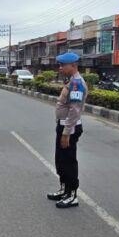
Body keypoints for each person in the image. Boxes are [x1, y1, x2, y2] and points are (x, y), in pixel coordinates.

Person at [47, 52, 87, 208]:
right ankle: (64, 189)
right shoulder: (71, 81)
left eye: (63, 65)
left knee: (69, 161)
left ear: (74, 65)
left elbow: (75, 110)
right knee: (61, 160)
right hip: (63, 126)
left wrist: (66, 133)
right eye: (60, 64)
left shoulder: (76, 84)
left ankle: (72, 195)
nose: (60, 67)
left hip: (69, 129)